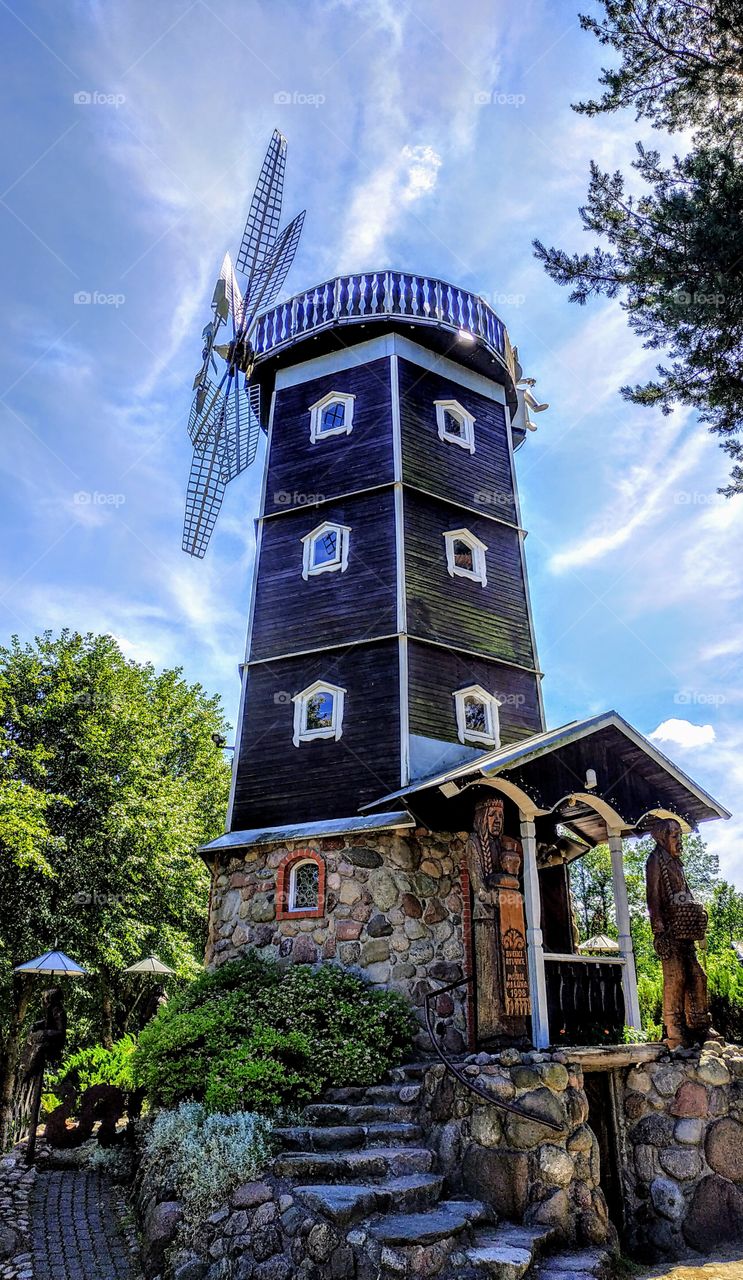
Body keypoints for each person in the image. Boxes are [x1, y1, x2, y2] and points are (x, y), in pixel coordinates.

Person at [646, 818, 714, 1048]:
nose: (678, 840)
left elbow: (685, 891)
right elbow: (653, 896)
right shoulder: (656, 860)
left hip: (685, 929)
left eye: (679, 835)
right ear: (663, 837)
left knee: (698, 976)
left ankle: (700, 1024)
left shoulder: (677, 863)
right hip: (669, 930)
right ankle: (674, 1029)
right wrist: (658, 926)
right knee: (676, 977)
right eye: (674, 835)